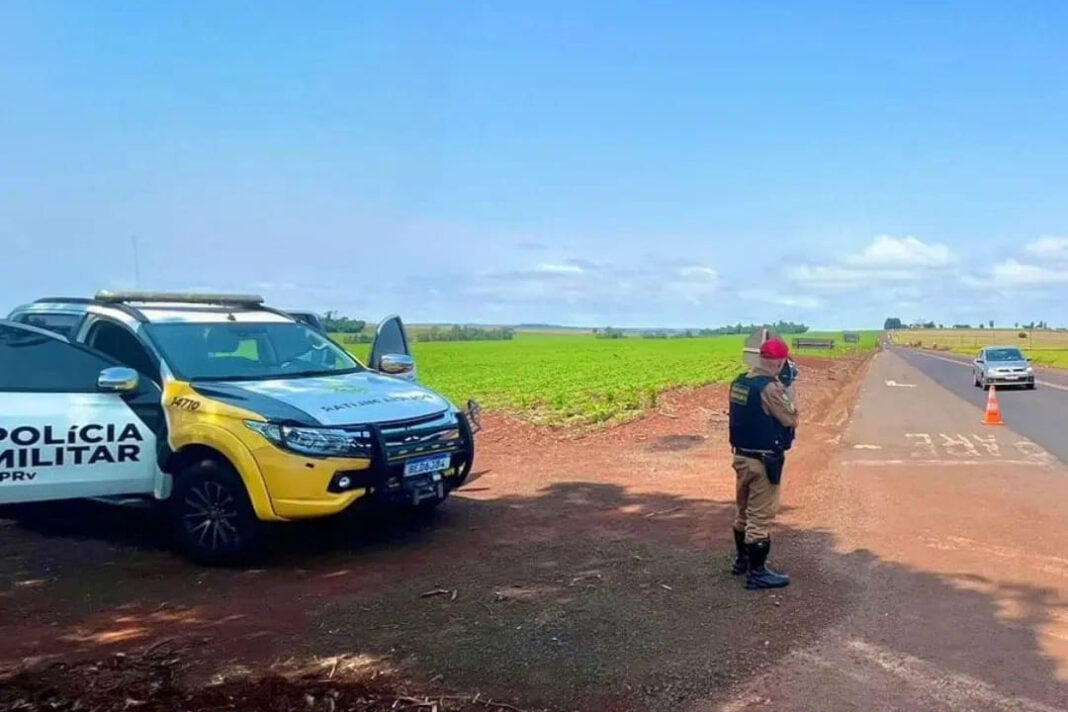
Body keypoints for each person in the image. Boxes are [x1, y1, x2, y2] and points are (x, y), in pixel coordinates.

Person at [728, 337, 798, 589]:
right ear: (780, 362)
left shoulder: (740, 382)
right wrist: (788, 386)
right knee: (760, 517)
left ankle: (742, 561)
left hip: (741, 456)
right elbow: (790, 418)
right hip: (763, 461)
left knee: (743, 512)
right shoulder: (771, 389)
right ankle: (757, 574)